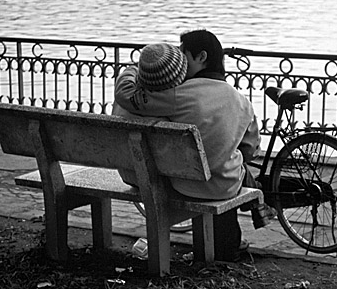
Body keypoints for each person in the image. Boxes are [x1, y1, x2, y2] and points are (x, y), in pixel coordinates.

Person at [113, 31, 271, 261]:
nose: (180, 60)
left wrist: (134, 69)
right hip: (223, 185)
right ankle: (232, 240)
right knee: (231, 168)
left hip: (183, 183)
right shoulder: (242, 101)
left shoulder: (177, 95)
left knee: (209, 170)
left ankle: (226, 242)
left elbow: (128, 96)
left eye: (183, 53)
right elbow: (249, 149)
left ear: (201, 57)